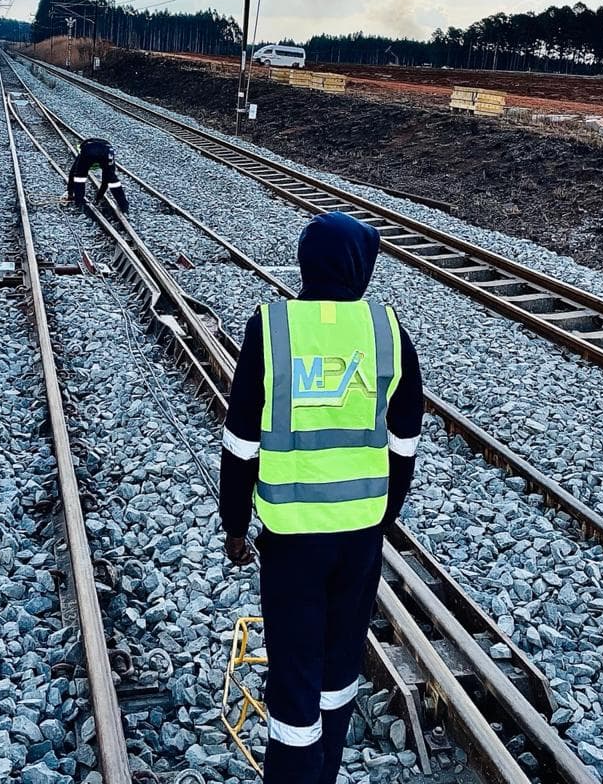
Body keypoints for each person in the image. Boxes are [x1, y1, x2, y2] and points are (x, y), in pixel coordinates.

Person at [219, 211, 423, 784]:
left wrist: (236, 526)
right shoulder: (388, 332)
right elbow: (403, 443)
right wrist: (383, 516)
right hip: (359, 537)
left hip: (290, 537)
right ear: (362, 268)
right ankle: (324, 774)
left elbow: (240, 445)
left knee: (295, 671)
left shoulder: (271, 329)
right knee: (339, 668)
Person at [65, 138, 129, 215]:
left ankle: (79, 204)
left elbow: (72, 173)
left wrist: (70, 194)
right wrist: (99, 196)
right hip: (107, 151)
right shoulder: (109, 150)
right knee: (112, 180)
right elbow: (106, 179)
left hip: (89, 151)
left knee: (79, 177)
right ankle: (124, 206)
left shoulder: (83, 151)